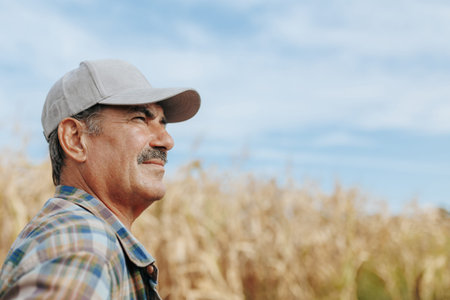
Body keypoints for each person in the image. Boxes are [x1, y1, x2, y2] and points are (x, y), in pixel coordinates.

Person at [0, 59, 201, 299]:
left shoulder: (83, 236)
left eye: (162, 123)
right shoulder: (82, 241)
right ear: (75, 139)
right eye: (139, 118)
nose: (167, 141)